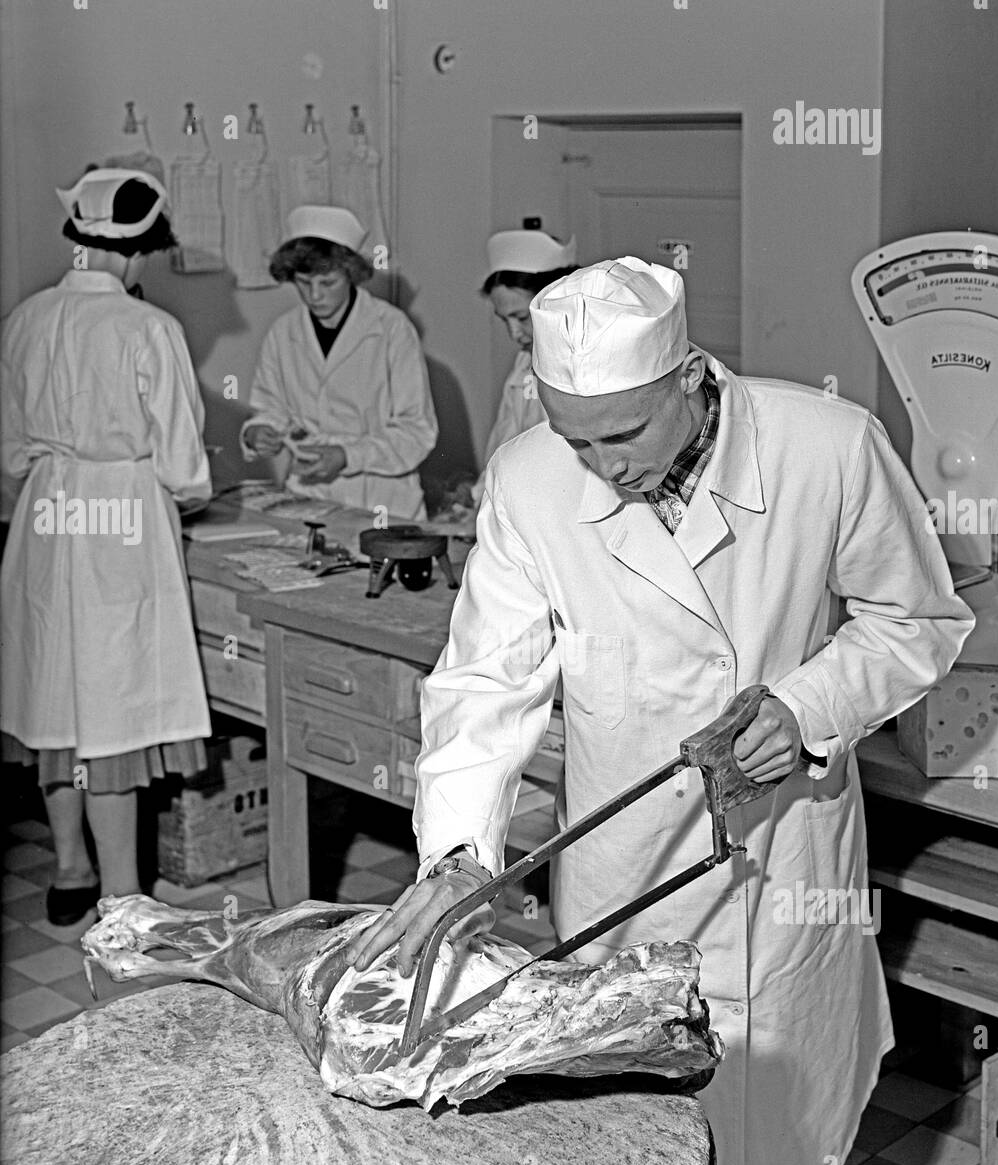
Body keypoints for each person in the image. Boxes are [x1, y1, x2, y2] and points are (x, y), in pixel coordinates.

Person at [353, 256, 976, 1165]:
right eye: (573, 434)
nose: (599, 465)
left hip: (780, 871)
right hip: (619, 871)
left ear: (689, 378)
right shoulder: (527, 480)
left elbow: (916, 621)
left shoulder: (824, 448)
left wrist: (805, 707)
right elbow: (482, 683)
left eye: (621, 434)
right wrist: (456, 854)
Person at [1, 168, 212, 925]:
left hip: (43, 517)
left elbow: (9, 450)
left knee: (54, 697)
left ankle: (68, 871)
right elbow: (185, 466)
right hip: (120, 515)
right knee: (113, 706)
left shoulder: (24, 319)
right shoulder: (149, 329)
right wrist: (185, 497)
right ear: (139, 252)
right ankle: (123, 900)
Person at [241, 205, 437, 521]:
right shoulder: (283, 332)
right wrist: (258, 431)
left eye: (327, 282)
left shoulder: (392, 328)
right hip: (309, 495)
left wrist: (347, 456)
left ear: (351, 274)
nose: (314, 296)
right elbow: (270, 408)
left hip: (382, 500)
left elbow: (417, 432)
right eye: (304, 283)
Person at [480, 228, 579, 465]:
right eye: (505, 320)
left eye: (522, 318)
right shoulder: (524, 361)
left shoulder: (580, 359)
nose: (513, 333)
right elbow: (505, 443)